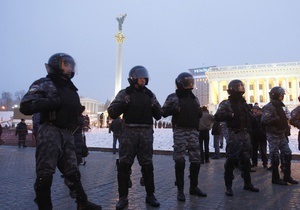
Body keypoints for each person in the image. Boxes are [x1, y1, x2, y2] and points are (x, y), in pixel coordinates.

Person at [19, 53, 102, 210]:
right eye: (66, 65)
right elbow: (26, 105)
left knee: (72, 170)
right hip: (50, 131)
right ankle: (45, 206)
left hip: (66, 133)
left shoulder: (70, 88)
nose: (70, 68)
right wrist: (51, 102)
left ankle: (82, 203)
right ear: (56, 66)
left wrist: (77, 117)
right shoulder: (45, 83)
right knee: (46, 172)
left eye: (71, 65)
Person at [108, 65, 162, 210]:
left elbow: (158, 114)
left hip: (146, 133)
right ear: (133, 78)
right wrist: (123, 104)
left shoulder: (149, 94)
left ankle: (150, 195)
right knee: (125, 165)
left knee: (147, 165)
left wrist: (154, 105)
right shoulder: (125, 93)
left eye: (145, 77)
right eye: (140, 77)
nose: (143, 80)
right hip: (129, 132)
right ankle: (123, 197)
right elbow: (112, 112)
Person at [162, 72, 207, 202]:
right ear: (181, 82)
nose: (189, 84)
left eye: (190, 81)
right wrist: (174, 110)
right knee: (180, 161)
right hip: (180, 131)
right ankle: (180, 190)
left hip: (193, 131)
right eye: (187, 81)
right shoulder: (173, 97)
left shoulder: (194, 98)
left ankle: (193, 187)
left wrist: (198, 113)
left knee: (196, 160)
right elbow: (162, 112)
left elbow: (198, 114)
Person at [214, 79, 259, 196]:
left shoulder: (243, 104)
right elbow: (217, 116)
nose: (240, 91)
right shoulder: (226, 104)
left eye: (241, 89)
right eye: (238, 89)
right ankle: (228, 186)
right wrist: (231, 115)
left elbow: (249, 117)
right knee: (231, 160)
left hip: (245, 135)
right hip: (234, 135)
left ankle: (247, 183)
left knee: (246, 160)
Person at [261, 86, 298, 185]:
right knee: (275, 156)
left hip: (281, 134)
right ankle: (275, 178)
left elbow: (289, 116)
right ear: (276, 95)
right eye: (281, 95)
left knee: (287, 153)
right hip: (273, 134)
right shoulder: (269, 106)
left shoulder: (281, 106)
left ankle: (287, 176)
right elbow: (264, 120)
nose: (282, 97)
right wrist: (277, 119)